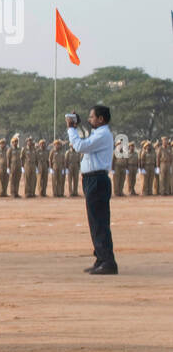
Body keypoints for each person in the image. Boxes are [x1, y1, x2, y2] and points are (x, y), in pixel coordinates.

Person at [67, 107, 116, 274]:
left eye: (92, 117)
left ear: (101, 119)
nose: (89, 120)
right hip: (92, 179)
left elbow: (80, 146)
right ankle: (101, 258)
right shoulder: (99, 133)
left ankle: (108, 262)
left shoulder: (102, 134)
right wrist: (78, 126)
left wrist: (71, 129)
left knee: (99, 222)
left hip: (97, 180)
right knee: (95, 222)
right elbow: (86, 142)